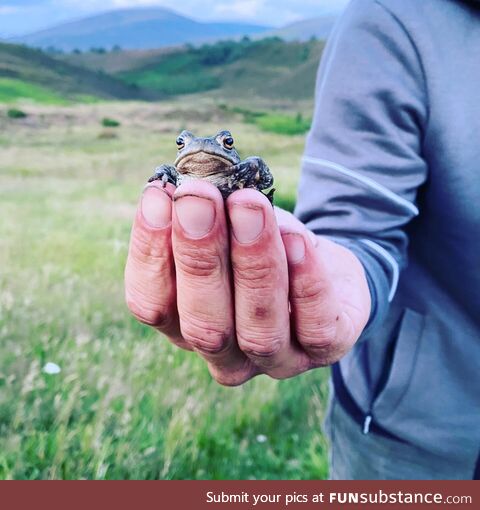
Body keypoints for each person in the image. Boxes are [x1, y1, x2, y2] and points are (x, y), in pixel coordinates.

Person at [125, 0, 480, 480]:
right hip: (413, 436)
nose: (204, 149)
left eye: (224, 143)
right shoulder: (395, 17)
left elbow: (258, 173)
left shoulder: (242, 170)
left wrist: (259, 192)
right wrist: (340, 272)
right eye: (187, 143)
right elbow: (360, 219)